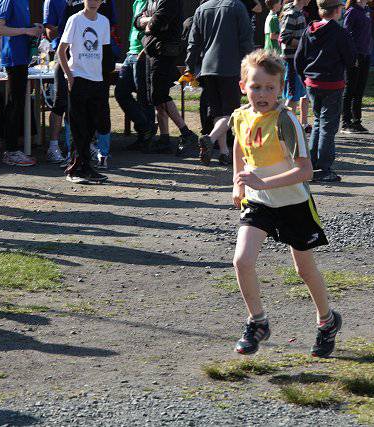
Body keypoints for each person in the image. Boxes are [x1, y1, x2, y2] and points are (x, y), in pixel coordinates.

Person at [230, 49, 342, 357]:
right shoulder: (241, 116)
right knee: (242, 261)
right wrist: (238, 183)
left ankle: (327, 321)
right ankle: (257, 322)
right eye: (256, 86)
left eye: (270, 87)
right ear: (243, 86)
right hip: (259, 202)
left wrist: (262, 182)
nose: (262, 94)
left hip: (293, 204)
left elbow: (306, 171)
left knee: (304, 269)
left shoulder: (285, 120)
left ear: (281, 88)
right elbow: (239, 145)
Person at [186, 0, 254, 166]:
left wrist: (189, 67)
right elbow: (246, 39)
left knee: (218, 112)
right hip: (230, 67)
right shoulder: (237, 6)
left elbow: (193, 42)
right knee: (232, 113)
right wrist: (252, 65)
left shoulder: (201, 9)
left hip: (207, 68)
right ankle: (210, 139)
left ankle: (224, 152)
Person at [295, 0, 355, 183]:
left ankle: (312, 163)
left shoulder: (309, 29)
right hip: (332, 84)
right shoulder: (340, 33)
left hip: (312, 83)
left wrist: (305, 78)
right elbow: (350, 58)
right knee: (328, 126)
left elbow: (298, 58)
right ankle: (323, 167)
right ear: (337, 11)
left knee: (318, 123)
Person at [135, 0, 199, 154]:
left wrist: (148, 22)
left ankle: (187, 134)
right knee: (154, 97)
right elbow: (137, 22)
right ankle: (164, 139)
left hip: (164, 51)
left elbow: (156, 24)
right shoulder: (151, 1)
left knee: (159, 95)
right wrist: (148, 21)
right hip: (151, 50)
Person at [58, 0, 110, 184]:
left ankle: (86, 167)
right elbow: (61, 50)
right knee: (78, 126)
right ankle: (74, 170)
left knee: (92, 126)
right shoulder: (75, 19)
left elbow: (104, 51)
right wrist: (69, 76)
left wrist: (103, 78)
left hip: (97, 80)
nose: (94, 2)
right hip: (78, 78)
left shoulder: (104, 21)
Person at [0, 0, 43, 167]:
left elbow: (15, 26)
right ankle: (10, 151)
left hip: (22, 58)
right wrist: (26, 30)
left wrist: (32, 28)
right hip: (14, 58)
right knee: (15, 105)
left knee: (19, 104)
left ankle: (12, 149)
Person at [114, 0, 156, 152]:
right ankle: (145, 128)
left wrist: (145, 50)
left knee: (143, 97)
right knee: (120, 92)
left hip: (142, 53)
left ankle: (145, 139)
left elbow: (157, 25)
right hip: (130, 53)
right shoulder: (136, 2)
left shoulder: (151, 2)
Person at [43, 0, 69, 164]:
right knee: (60, 101)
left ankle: (85, 144)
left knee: (83, 102)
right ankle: (53, 147)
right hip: (62, 54)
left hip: (83, 54)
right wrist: (71, 27)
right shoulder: (52, 1)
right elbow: (49, 33)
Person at [280, 0, 311, 132]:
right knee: (292, 96)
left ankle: (294, 126)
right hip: (291, 60)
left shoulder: (299, 13)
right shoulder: (291, 14)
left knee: (298, 94)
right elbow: (284, 37)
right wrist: (304, 44)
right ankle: (285, 129)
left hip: (298, 60)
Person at [341, 0, 371, 134]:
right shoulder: (352, 11)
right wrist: (352, 54)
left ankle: (356, 121)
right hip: (355, 55)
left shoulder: (367, 10)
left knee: (360, 89)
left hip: (366, 54)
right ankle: (345, 122)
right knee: (350, 88)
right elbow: (346, 33)